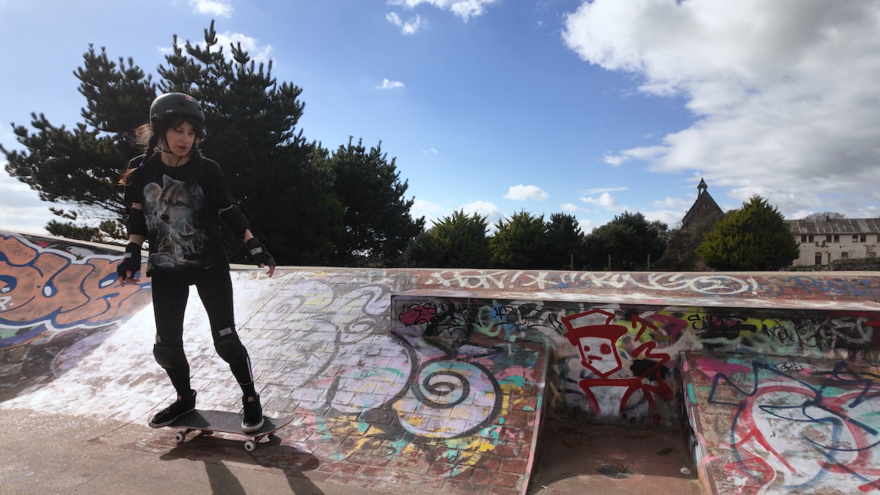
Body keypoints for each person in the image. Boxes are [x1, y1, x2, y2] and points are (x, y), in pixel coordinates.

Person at [116, 92, 276, 433]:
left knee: (226, 339)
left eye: (191, 132)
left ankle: (250, 398)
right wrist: (131, 252)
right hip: (165, 268)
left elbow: (229, 212)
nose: (185, 139)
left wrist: (255, 246)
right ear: (160, 130)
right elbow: (138, 215)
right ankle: (184, 398)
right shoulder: (142, 171)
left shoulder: (207, 170)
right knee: (166, 347)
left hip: (209, 266)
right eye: (178, 130)